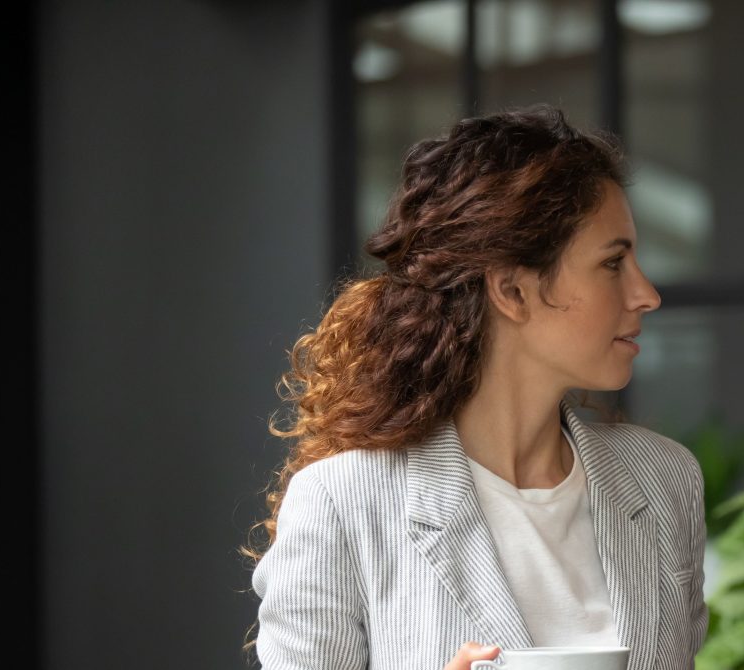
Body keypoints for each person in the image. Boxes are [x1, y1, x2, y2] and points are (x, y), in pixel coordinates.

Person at [248, 105, 707, 670]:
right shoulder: (342, 504)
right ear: (512, 291)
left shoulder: (664, 482)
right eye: (614, 264)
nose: (647, 294)